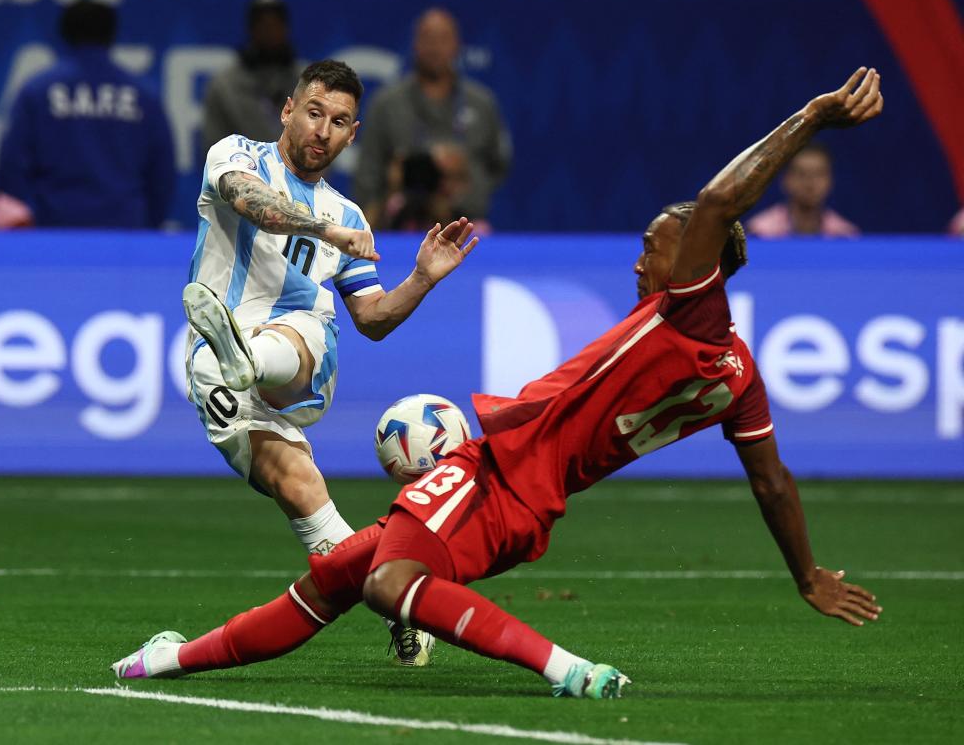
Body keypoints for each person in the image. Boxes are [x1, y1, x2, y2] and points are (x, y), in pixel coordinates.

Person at [113, 68, 885, 698]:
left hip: (500, 467)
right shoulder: (737, 374)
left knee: (381, 579)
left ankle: (566, 669)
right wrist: (806, 573)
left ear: (695, 262)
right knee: (337, 577)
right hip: (535, 500)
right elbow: (773, 481)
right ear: (288, 109)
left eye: (653, 249)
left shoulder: (686, 306)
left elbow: (719, 200)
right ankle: (166, 661)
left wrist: (813, 114)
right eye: (311, 112)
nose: (639, 264)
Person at [182, 59, 478, 665]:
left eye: (338, 122)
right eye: (313, 113)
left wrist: (422, 278)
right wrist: (324, 232)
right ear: (288, 110)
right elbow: (251, 203)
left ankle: (254, 357)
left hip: (293, 365)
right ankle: (406, 608)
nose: (322, 130)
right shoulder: (236, 154)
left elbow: (370, 318)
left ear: (353, 133)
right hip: (215, 370)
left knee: (305, 324)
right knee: (311, 504)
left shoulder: (350, 216)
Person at [0, 0, 174, 228]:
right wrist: (145, 229)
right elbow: (162, 175)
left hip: (52, 231)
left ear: (64, 33)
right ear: (111, 35)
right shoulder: (144, 96)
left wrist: (27, 226)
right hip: (125, 232)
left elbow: (12, 167)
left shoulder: (37, 91)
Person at [353, 7, 512, 228]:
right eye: (427, 38)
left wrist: (464, 177)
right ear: (415, 44)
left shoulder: (482, 103)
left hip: (467, 225)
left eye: (443, 39)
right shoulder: (386, 103)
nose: (435, 47)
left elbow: (498, 165)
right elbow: (368, 172)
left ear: (457, 45)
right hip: (401, 227)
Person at [200, 0, 302, 155]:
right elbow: (214, 152)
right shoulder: (225, 87)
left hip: (300, 179)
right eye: (262, 24)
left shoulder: (308, 83)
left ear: (285, 28)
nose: (269, 31)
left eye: (275, 23)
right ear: (251, 29)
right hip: (242, 179)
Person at [746, 141, 860, 238]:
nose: (810, 183)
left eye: (819, 174)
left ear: (830, 180)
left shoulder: (845, 235)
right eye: (801, 174)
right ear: (785, 179)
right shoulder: (760, 233)